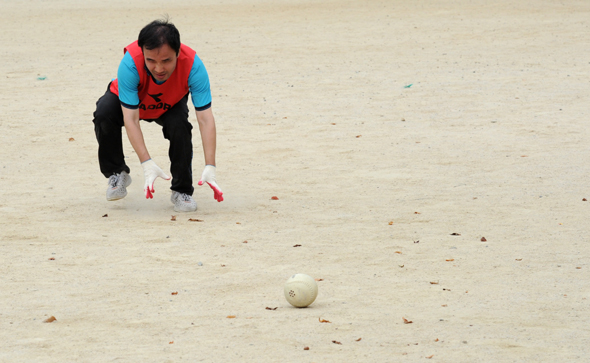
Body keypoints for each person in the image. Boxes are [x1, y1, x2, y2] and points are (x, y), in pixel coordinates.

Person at [92, 18, 223, 212]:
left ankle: (182, 191)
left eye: (166, 61)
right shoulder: (130, 64)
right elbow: (131, 119)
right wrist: (147, 163)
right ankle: (117, 172)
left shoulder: (194, 66)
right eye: (151, 60)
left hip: (169, 103)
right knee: (104, 113)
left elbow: (205, 119)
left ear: (178, 53)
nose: (159, 69)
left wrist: (210, 165)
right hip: (131, 102)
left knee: (180, 126)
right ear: (143, 53)